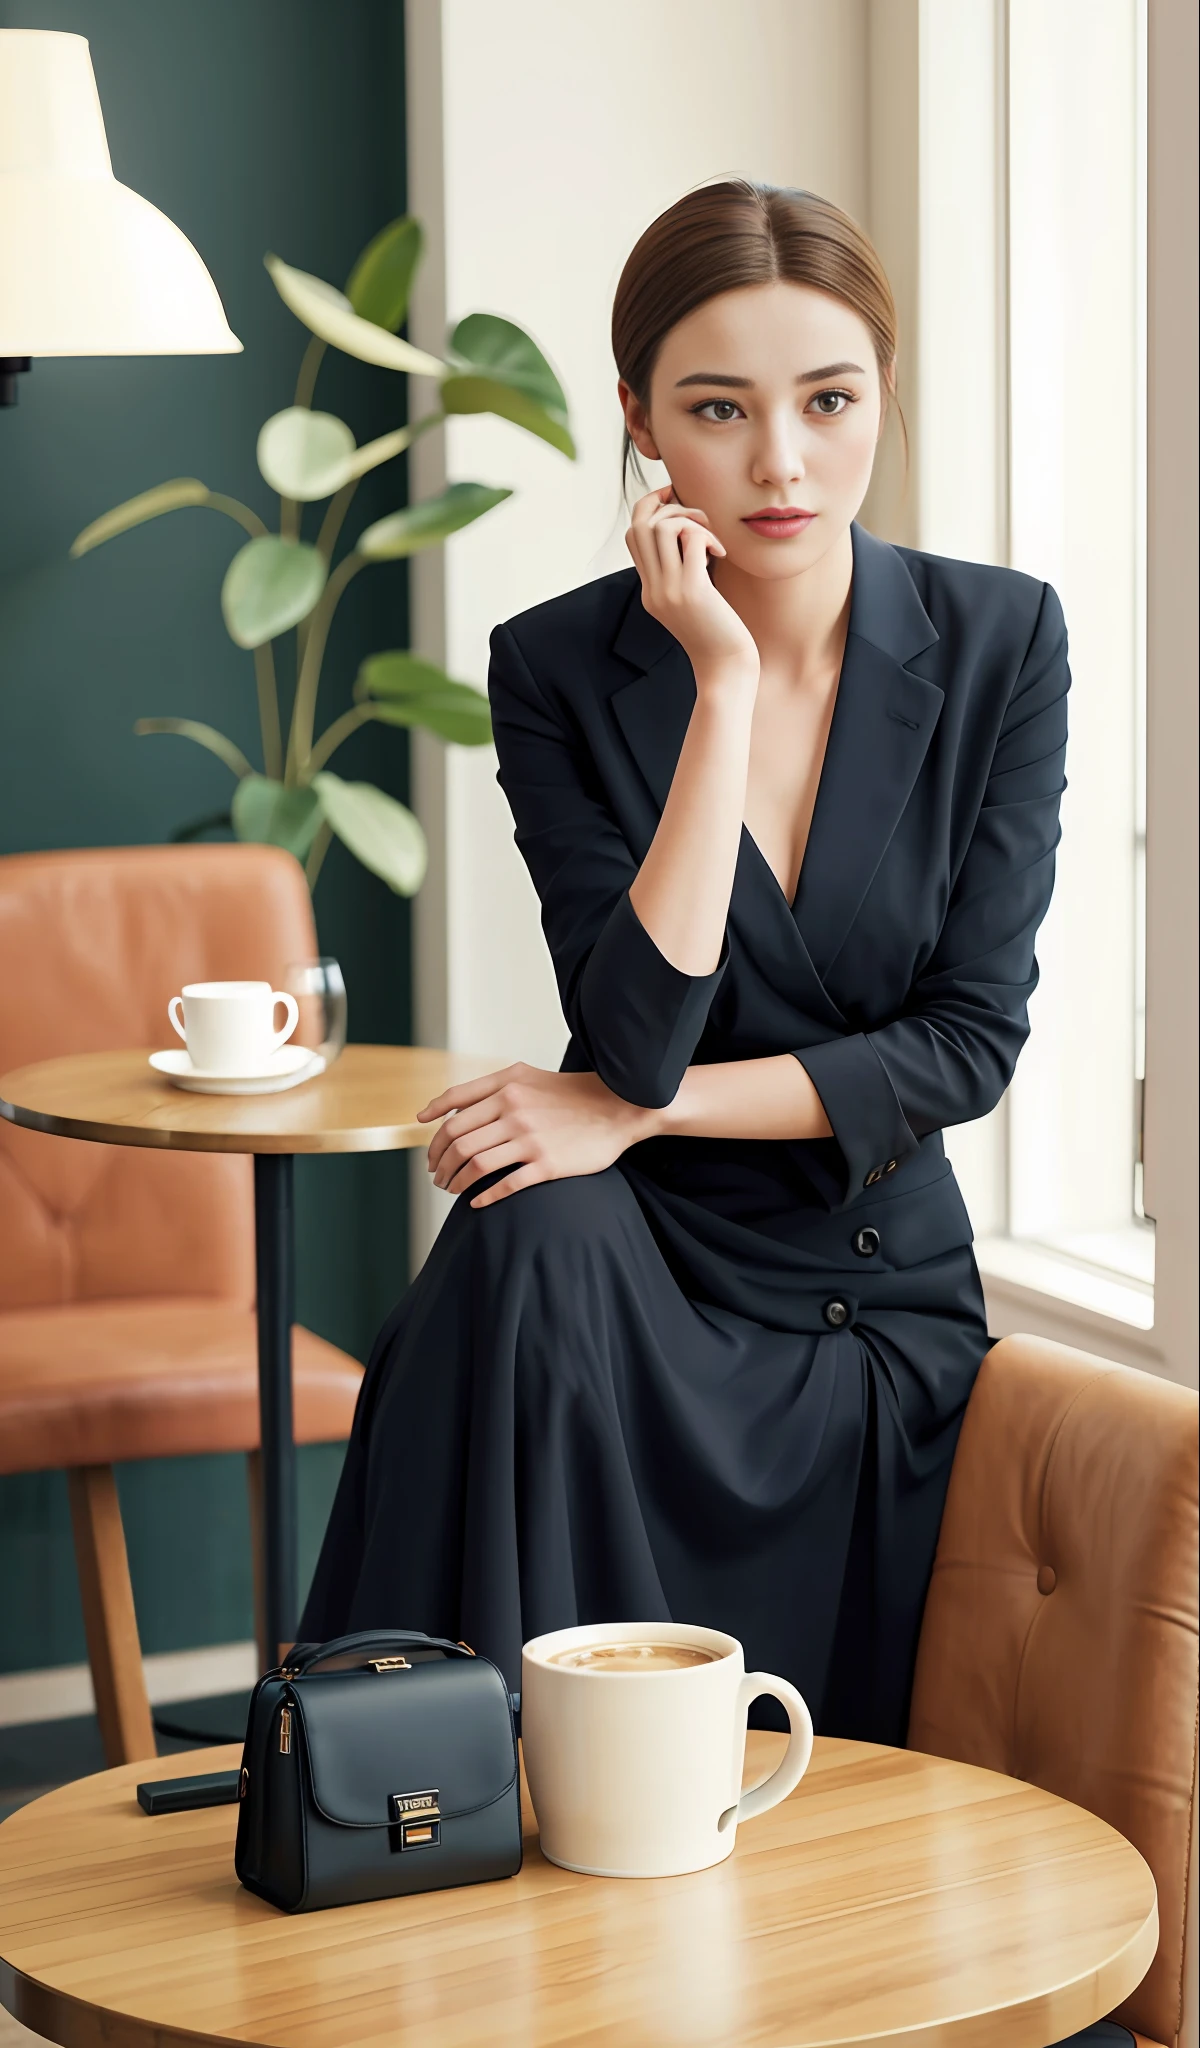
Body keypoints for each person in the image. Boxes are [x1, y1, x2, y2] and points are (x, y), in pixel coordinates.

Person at [298, 178, 1070, 1748]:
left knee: (544, 1226)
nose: (782, 463)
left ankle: (433, 1769)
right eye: (721, 410)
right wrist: (718, 686)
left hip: (866, 1296)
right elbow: (635, 1034)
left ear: (883, 394)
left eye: (828, 400)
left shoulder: (1003, 644)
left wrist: (634, 1120)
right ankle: (461, 1805)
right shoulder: (559, 668)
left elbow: (965, 1050)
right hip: (646, 1281)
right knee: (536, 1244)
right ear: (644, 418)